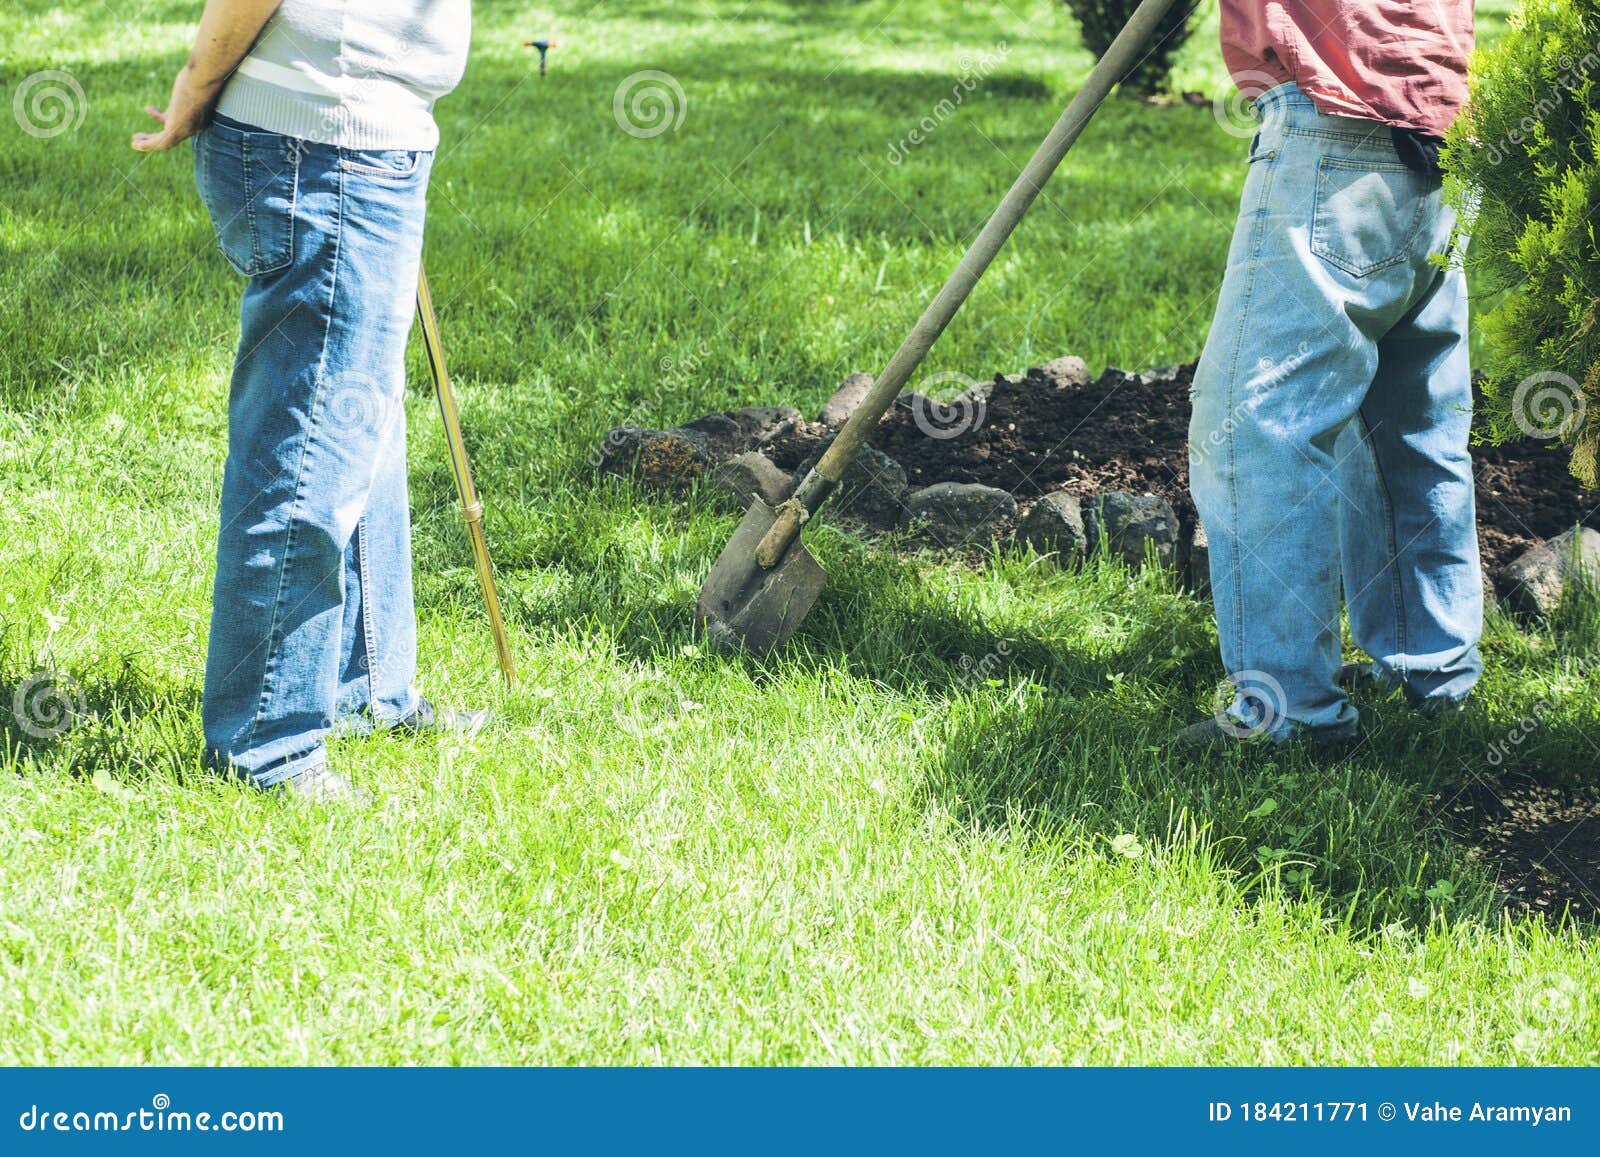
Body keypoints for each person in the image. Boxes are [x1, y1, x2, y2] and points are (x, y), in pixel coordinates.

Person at [133, 0, 484, 799]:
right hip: (321, 147)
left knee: (359, 427)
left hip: (363, 140)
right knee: (307, 449)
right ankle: (267, 743)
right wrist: (197, 83)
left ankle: (369, 691)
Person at [1180, 1, 1481, 747]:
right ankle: (1433, 679)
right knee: (1407, 425)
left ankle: (1287, 716)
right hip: (1439, 126)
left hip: (1333, 124)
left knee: (1255, 423)